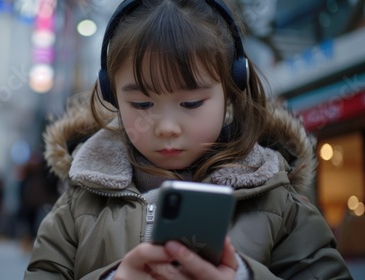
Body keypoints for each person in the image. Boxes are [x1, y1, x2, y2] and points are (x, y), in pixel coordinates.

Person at [24, 0, 352, 279]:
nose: (167, 127)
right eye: (141, 104)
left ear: (231, 89)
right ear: (113, 95)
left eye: (191, 103)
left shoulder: (277, 200)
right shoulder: (79, 202)